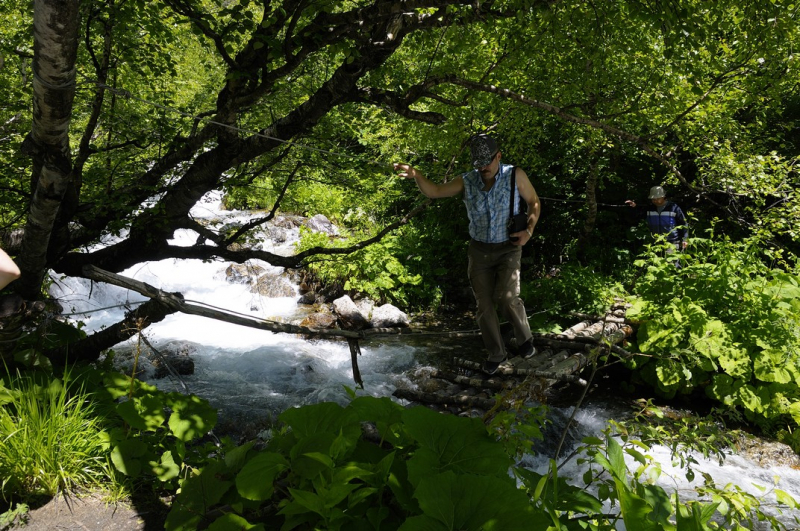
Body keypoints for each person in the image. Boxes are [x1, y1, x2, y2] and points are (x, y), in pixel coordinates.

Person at [394, 134, 541, 375]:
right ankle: (497, 353)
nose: (483, 167)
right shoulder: (467, 180)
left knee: (507, 298)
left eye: (487, 162)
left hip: (509, 247)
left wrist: (529, 231)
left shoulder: (516, 175)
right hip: (479, 250)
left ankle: (525, 340)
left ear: (498, 156)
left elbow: (534, 202)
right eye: (478, 163)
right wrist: (417, 175)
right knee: (483, 305)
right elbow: (435, 192)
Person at [626, 185, 688, 255]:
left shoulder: (673, 207)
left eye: (657, 198)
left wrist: (685, 239)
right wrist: (634, 207)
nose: (655, 201)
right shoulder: (650, 208)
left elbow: (683, 223)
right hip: (655, 242)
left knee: (671, 263)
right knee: (657, 264)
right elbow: (638, 215)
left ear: (663, 197)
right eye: (653, 199)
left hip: (672, 242)